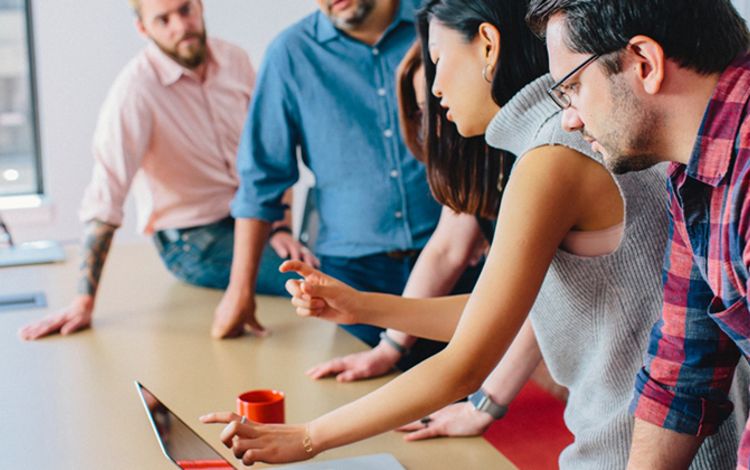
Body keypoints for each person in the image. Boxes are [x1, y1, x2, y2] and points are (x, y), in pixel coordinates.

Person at [200, 1, 748, 467]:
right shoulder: (601, 151)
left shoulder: (553, 156)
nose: (433, 87)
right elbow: (516, 314)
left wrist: (306, 437)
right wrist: (365, 307)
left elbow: (465, 361)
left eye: (440, 61)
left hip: (638, 448)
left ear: (488, 45)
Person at [525, 0, 750, 467]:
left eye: (573, 88)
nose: (569, 118)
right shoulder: (695, 174)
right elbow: (682, 368)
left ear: (644, 63)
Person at [17, 0, 311, 341]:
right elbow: (105, 197)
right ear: (143, 29)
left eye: (185, 10)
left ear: (200, 6)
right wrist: (83, 301)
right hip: (193, 240)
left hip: (253, 220)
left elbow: (270, 153)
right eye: (163, 19)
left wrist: (280, 227)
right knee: (311, 280)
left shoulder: (236, 60)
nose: (180, 25)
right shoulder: (135, 91)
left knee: (333, 264)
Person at [212, 0, 444, 367]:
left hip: (455, 258)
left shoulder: (441, 20)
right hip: (352, 273)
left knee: (456, 406)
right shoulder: (289, 55)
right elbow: (261, 180)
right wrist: (240, 292)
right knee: (364, 403)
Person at [305, 41, 493, 382]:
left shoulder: (533, 159)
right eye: (423, 111)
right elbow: (447, 249)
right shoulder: (477, 166)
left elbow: (519, 314)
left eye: (439, 102)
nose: (436, 124)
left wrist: (485, 405)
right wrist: (388, 348)